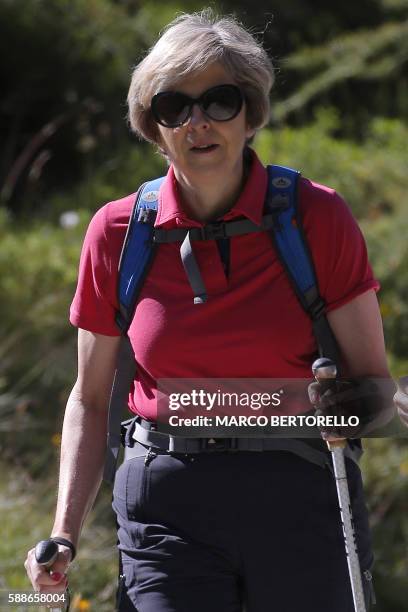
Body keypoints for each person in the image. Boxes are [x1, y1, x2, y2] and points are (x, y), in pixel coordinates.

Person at [25, 10, 395, 611]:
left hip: (301, 493)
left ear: (249, 114)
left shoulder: (316, 217)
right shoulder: (118, 232)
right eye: (175, 107)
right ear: (155, 126)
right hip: (165, 509)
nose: (198, 123)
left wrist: (350, 408)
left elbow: (376, 387)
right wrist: (63, 532)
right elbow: (90, 399)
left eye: (219, 101)